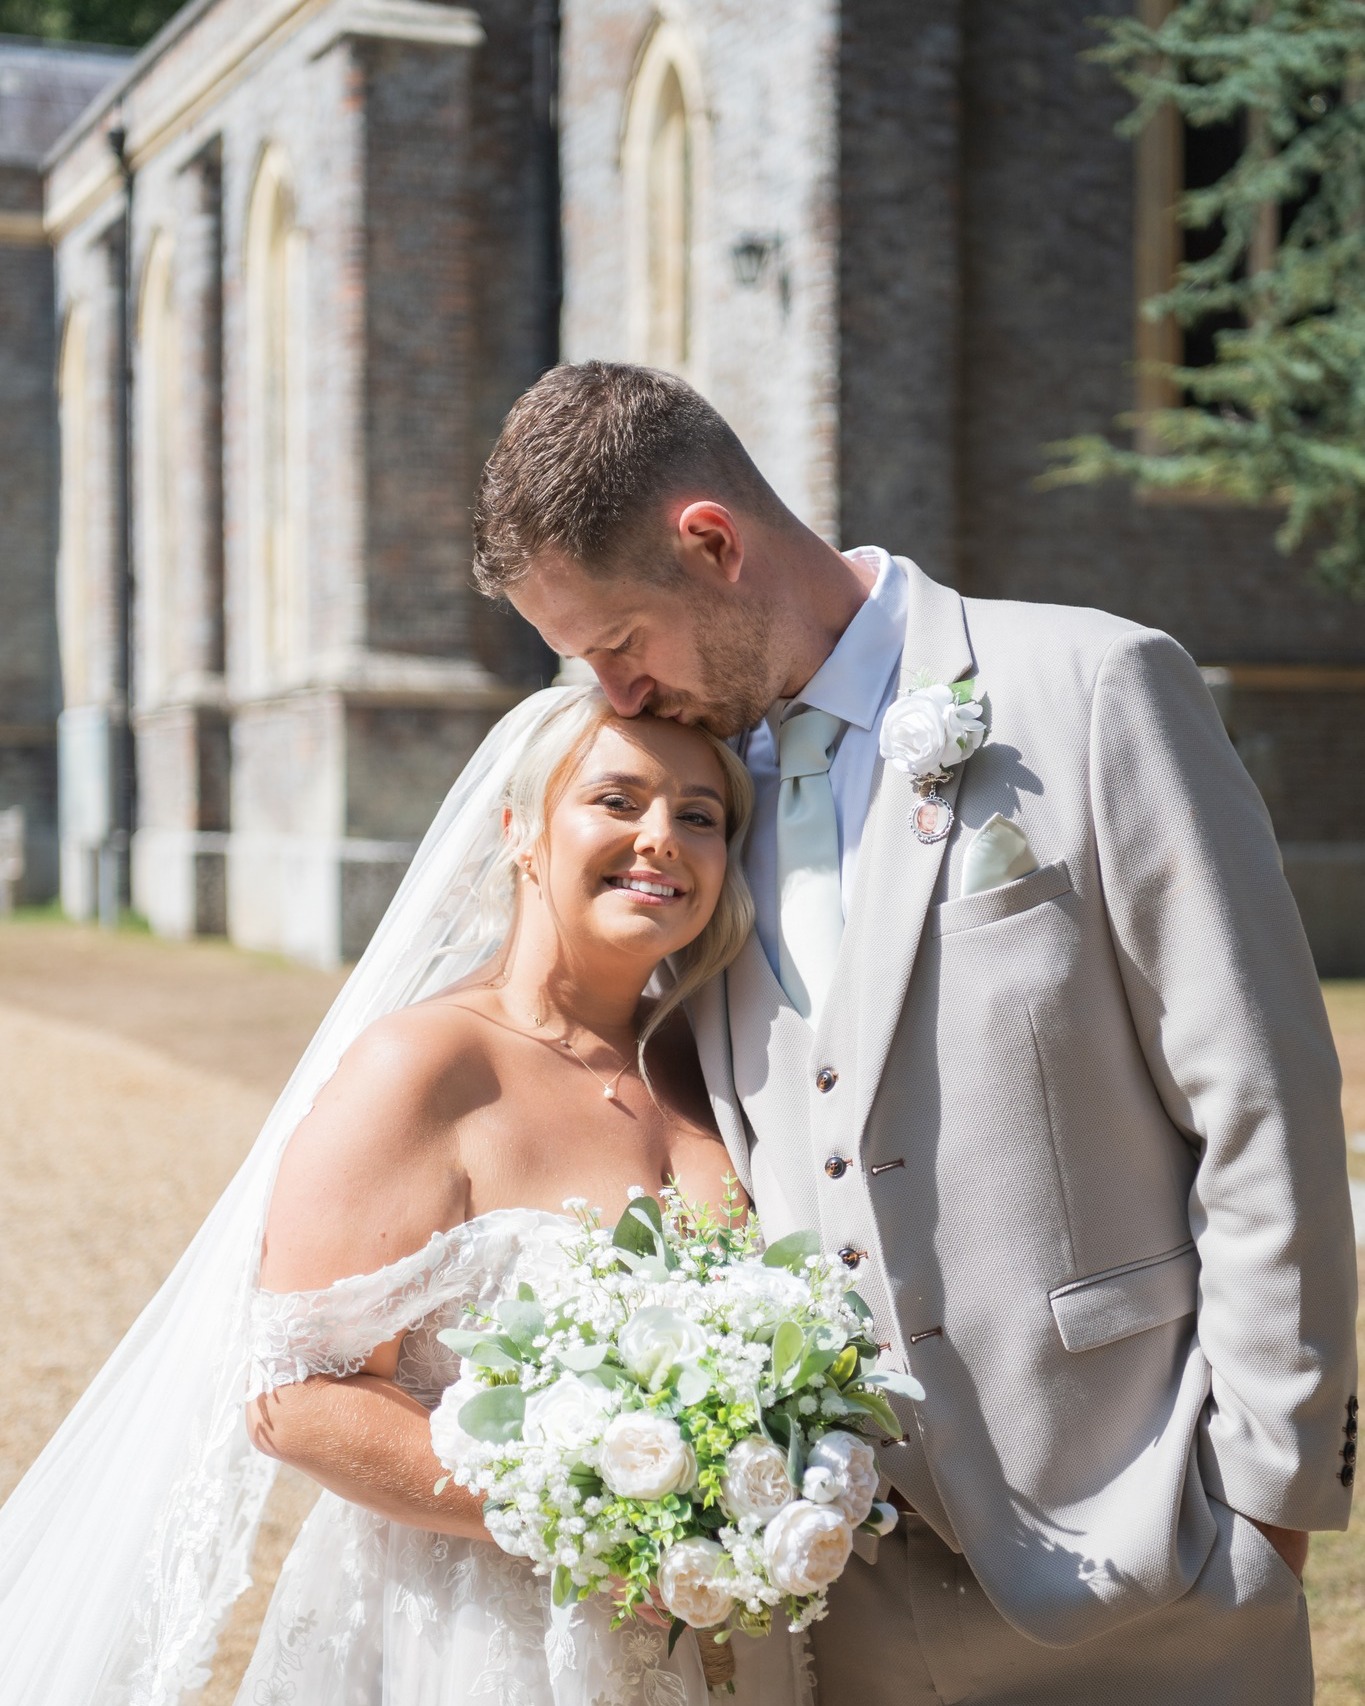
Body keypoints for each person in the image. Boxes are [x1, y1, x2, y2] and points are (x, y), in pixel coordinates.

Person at [471, 360, 1360, 1706]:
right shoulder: (700, 811)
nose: (620, 695)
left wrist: (1270, 1498)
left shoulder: (1093, 685)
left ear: (709, 543)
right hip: (848, 1602)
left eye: (616, 643)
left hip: (1150, 1548)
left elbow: (1261, 1093)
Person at [0, 687, 810, 1706]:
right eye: (617, 799)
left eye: (700, 814)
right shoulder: (421, 1066)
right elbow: (292, 1395)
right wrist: (585, 1517)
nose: (661, 838)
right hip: (478, 1642)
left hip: (726, 1642)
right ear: (520, 831)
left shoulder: (712, 1063)